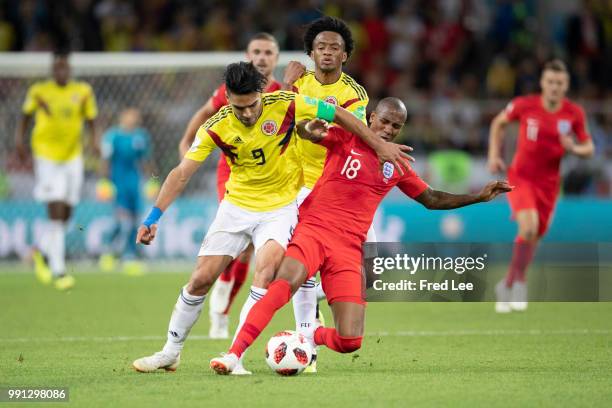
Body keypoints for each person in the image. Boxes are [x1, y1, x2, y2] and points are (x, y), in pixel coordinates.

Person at [132, 62, 412, 375]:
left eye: (252, 105)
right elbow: (182, 172)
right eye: (239, 108)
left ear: (262, 93)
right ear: (228, 100)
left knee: (265, 274)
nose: (247, 114)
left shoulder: (287, 104)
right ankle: (170, 352)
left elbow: (340, 115)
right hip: (236, 205)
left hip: (280, 208)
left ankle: (234, 356)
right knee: (201, 279)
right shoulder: (217, 125)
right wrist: (154, 215)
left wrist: (377, 144)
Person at [209, 97, 512, 374]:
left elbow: (431, 199)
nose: (389, 129)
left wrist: (478, 197)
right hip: (313, 230)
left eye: (396, 125)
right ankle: (233, 355)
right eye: (384, 121)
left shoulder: (397, 165)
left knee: (350, 340)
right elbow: (306, 132)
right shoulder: (346, 138)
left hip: (349, 249)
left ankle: (309, 334)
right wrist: (307, 127)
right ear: (370, 118)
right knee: (281, 285)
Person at [281, 16, 373, 372]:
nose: (328, 52)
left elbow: (352, 135)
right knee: (302, 269)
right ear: (310, 52)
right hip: (301, 186)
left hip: (340, 188)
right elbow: (276, 118)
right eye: (321, 47)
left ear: (345, 54)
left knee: (372, 271)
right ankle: (306, 342)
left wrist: (315, 128)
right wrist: (287, 87)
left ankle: (320, 294)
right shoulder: (297, 84)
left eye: (335, 47)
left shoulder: (355, 94)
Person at [178, 33, 283, 339]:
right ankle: (221, 305)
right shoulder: (230, 90)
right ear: (247, 55)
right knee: (241, 247)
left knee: (249, 252)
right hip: (234, 175)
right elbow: (204, 113)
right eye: (256, 51)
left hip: (271, 180)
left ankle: (222, 307)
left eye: (268, 52)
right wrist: (186, 141)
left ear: (276, 58)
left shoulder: (284, 92)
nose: (262, 57)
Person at [488, 59, 594, 313]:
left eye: (559, 83)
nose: (555, 87)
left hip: (549, 185)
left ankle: (509, 282)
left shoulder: (574, 113)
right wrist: (493, 154)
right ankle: (520, 282)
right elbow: (498, 123)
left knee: (533, 235)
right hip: (521, 177)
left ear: (566, 85)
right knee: (529, 226)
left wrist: (574, 148)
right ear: (542, 83)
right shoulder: (526, 105)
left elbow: (589, 147)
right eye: (550, 82)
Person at [14, 49, 98, 290]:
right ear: (52, 70)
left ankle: (40, 250)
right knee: (56, 209)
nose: (61, 71)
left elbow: (92, 120)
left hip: (73, 155)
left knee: (67, 213)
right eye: (57, 67)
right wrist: (19, 142)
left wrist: (94, 142)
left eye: (65, 67)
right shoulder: (39, 91)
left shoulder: (82, 92)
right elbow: (24, 117)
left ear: (70, 69)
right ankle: (58, 270)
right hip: (47, 156)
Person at [99, 108, 153, 272]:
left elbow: (146, 161)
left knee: (135, 220)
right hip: (118, 183)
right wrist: (104, 182)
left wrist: (153, 181)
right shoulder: (112, 136)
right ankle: (121, 254)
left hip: (134, 183)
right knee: (123, 221)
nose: (134, 118)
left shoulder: (141, 136)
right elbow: (105, 161)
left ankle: (117, 253)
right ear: (122, 117)